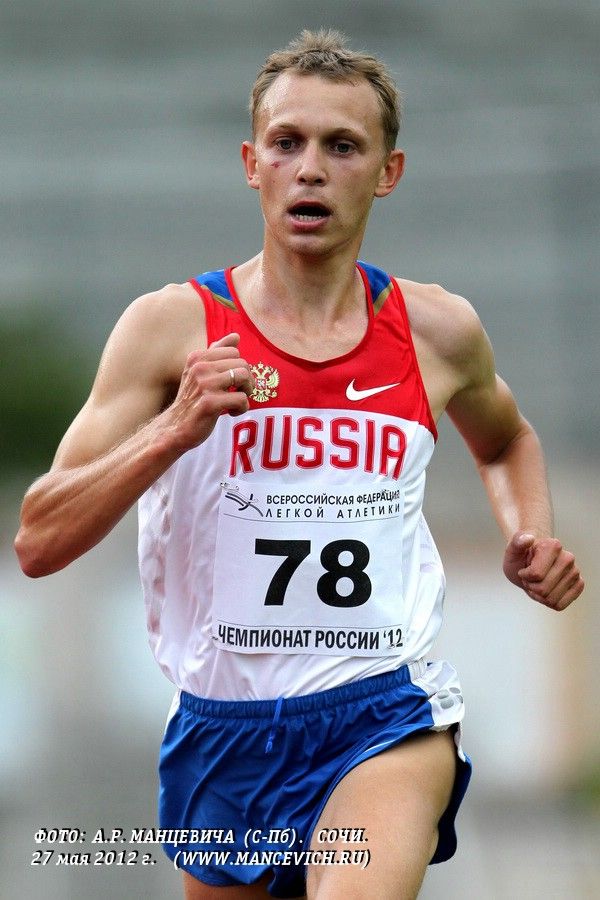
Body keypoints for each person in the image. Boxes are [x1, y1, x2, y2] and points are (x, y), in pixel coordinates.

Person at [15, 29, 583, 900]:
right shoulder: (171, 328)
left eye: (342, 146)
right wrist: (172, 431)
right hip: (225, 730)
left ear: (387, 172)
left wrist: (529, 532)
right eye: (288, 142)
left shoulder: (436, 331)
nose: (310, 168)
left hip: (383, 713)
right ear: (253, 164)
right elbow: (39, 538)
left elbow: (506, 438)